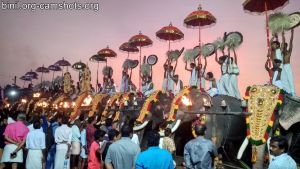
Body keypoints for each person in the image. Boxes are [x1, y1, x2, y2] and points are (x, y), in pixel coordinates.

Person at [281, 29, 296, 96]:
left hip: (287, 66)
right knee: (284, 80)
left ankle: (293, 94)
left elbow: (291, 41)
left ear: (286, 46)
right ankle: (286, 92)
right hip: (283, 67)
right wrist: (283, 35)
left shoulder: (289, 51)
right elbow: (282, 42)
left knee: (290, 79)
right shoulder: (282, 52)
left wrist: (292, 33)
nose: (283, 46)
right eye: (283, 45)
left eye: (284, 45)